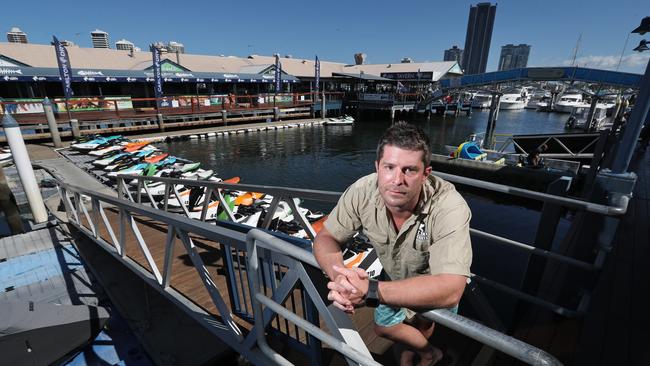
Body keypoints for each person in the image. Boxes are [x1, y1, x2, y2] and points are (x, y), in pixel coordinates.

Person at [313, 122, 472, 366]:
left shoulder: (449, 207)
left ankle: (423, 353)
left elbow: (451, 288)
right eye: (389, 167)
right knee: (382, 327)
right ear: (377, 167)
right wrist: (342, 278)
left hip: (432, 285)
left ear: (425, 174)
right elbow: (327, 237)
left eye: (409, 170)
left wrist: (371, 291)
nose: (397, 180)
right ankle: (429, 354)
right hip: (393, 279)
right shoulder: (362, 192)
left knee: (424, 322)